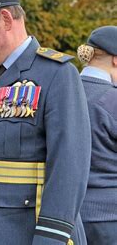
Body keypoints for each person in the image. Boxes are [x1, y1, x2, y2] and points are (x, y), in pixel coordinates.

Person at [0, 0, 92, 244]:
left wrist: (52, 236)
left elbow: (69, 166)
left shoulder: (56, 74)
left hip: (25, 231)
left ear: (5, 19)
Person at [77, 26, 117, 245]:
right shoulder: (112, 100)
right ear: (116, 60)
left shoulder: (61, 91)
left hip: (67, 215)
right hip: (110, 219)